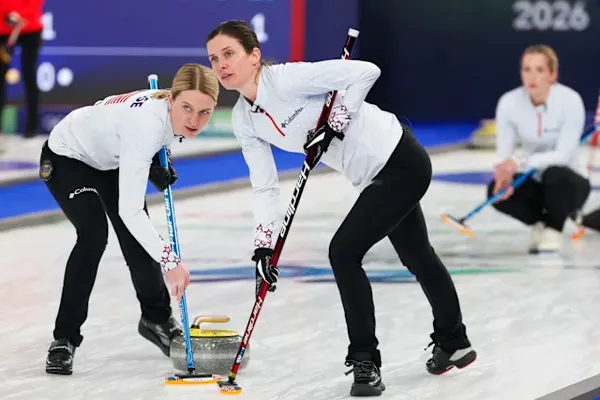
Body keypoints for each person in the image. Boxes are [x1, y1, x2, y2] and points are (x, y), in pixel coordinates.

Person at [206, 20, 476, 397]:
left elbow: (366, 72)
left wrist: (336, 121)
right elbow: (265, 186)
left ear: (254, 56)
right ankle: (454, 341)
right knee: (417, 255)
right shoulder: (243, 120)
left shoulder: (287, 79)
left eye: (229, 54)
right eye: (214, 59)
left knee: (344, 252)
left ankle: (365, 361)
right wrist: (263, 246)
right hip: (373, 175)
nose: (221, 64)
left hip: (400, 160)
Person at [41, 63, 220, 375]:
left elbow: (122, 121)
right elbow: (131, 209)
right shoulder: (147, 125)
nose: (194, 120)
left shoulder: (163, 109)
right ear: (172, 99)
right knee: (93, 234)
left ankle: (156, 318)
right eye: (187, 108)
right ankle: (64, 338)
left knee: (137, 237)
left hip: (109, 159)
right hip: (68, 157)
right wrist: (170, 262)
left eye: (205, 112)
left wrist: (155, 162)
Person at [488, 44, 591, 254]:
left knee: (555, 174)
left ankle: (554, 229)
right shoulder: (508, 102)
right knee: (495, 192)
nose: (532, 77)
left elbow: (563, 156)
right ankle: (540, 223)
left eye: (540, 70)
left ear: (553, 75)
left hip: (571, 183)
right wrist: (503, 173)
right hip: (535, 181)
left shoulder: (571, 101)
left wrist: (519, 162)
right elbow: (504, 155)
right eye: (527, 69)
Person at [0, 0, 44, 142]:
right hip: (3, 27)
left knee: (30, 75)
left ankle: (32, 127)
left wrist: (20, 16)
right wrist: (7, 15)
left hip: (30, 27)